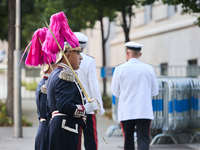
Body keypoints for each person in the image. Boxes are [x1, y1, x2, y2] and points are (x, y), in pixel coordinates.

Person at [46, 43, 100, 150]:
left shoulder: (55, 73)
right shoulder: (65, 75)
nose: (81, 57)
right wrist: (86, 108)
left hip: (59, 128)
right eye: (78, 53)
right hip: (66, 129)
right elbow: (64, 106)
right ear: (68, 56)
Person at [111, 41, 159, 150]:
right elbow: (155, 91)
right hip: (144, 110)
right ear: (140, 55)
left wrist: (125, 96)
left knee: (128, 139)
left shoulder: (119, 69)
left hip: (126, 109)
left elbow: (115, 91)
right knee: (143, 138)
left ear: (127, 53)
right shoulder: (149, 69)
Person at [74, 32, 105, 150]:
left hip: (73, 106)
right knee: (90, 140)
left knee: (74, 139)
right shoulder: (89, 61)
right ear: (85, 46)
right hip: (88, 107)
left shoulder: (66, 58)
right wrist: (99, 107)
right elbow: (94, 86)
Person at [35, 63, 57, 150]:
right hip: (45, 128)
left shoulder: (46, 82)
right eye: (56, 64)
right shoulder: (45, 84)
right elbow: (45, 112)